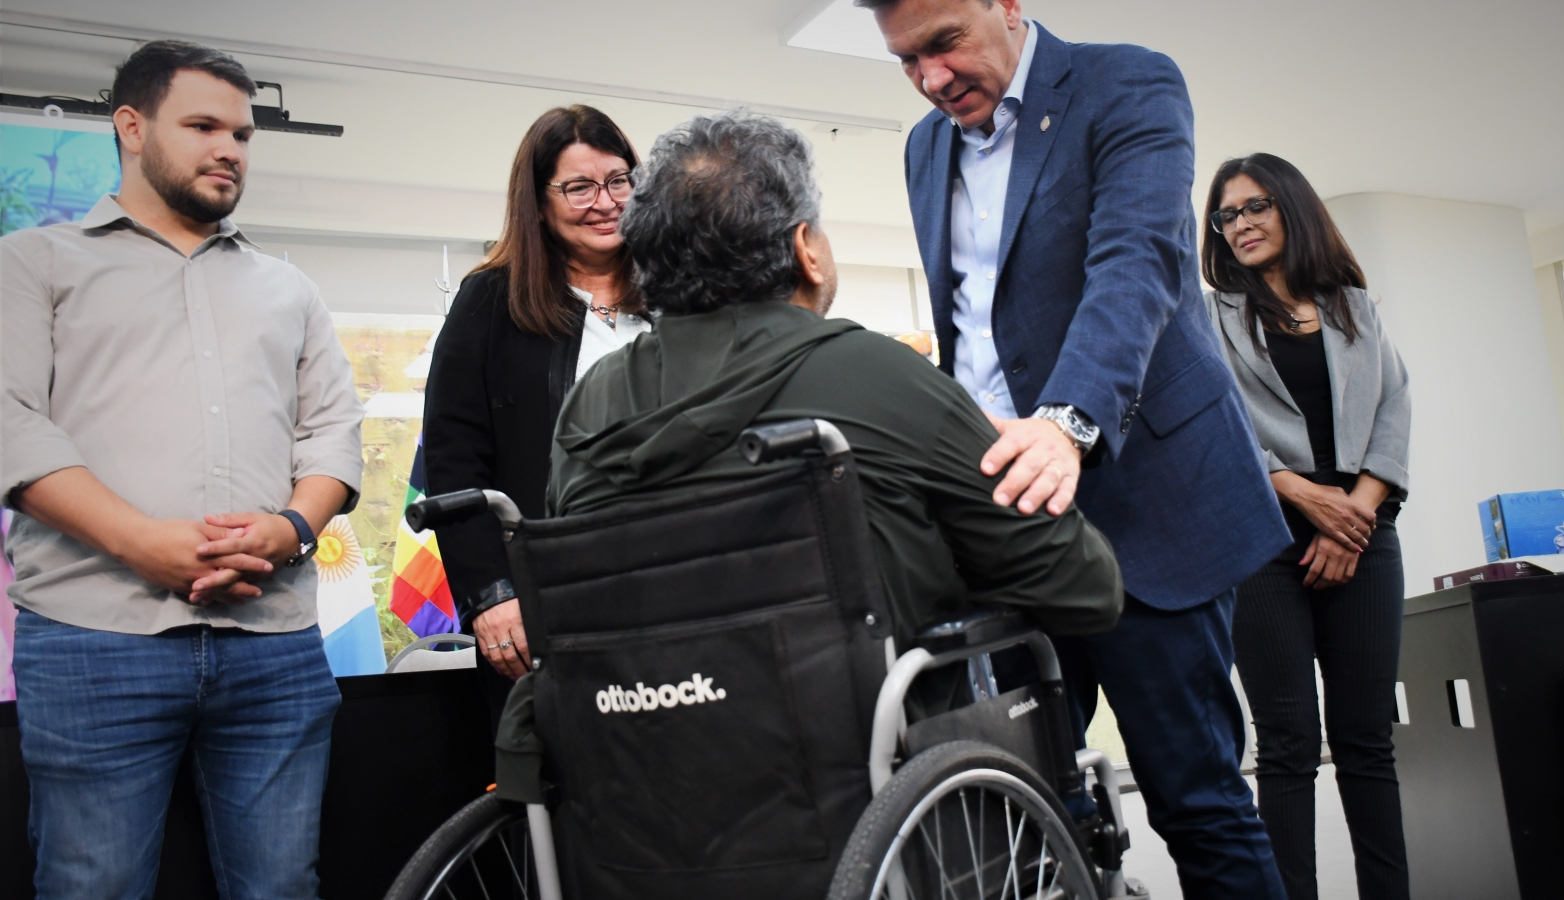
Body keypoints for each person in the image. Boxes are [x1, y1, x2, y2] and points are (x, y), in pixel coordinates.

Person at [861, 1, 1293, 896]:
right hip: (1006, 516)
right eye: (906, 61)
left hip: (1146, 499)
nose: (931, 79)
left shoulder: (1125, 82)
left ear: (1008, 5)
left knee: (1194, 798)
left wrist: (1066, 419)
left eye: (943, 44)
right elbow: (974, 331)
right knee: (1024, 806)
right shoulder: (923, 147)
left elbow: (1136, 261)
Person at [548, 109, 1123, 663]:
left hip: (641, 750)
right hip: (864, 752)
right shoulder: (881, 375)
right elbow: (1084, 588)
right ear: (805, 250)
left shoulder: (589, 405)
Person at [0, 40, 364, 898]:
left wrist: (289, 528)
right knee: (93, 887)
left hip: (274, 645)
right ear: (131, 126)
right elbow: (11, 423)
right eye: (202, 125)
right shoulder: (34, 263)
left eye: (241, 133)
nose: (228, 148)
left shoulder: (289, 287)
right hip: (95, 642)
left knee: (281, 887)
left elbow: (334, 435)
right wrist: (142, 544)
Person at [1203, 153, 1412, 900]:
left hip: (1363, 535)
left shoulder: (1356, 307)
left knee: (1367, 744)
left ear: (1292, 208)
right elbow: (1210, 422)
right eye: (1227, 216)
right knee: (1288, 748)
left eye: (1255, 206)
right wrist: (1298, 490)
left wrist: (1353, 511)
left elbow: (1394, 407)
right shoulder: (1211, 317)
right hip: (1263, 542)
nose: (1241, 225)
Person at [423, 105, 648, 721]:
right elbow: (453, 457)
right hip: (545, 595)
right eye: (578, 187)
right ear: (539, 201)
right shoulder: (491, 299)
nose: (605, 201)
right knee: (560, 787)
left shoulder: (682, 294)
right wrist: (491, 595)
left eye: (618, 180)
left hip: (670, 580)